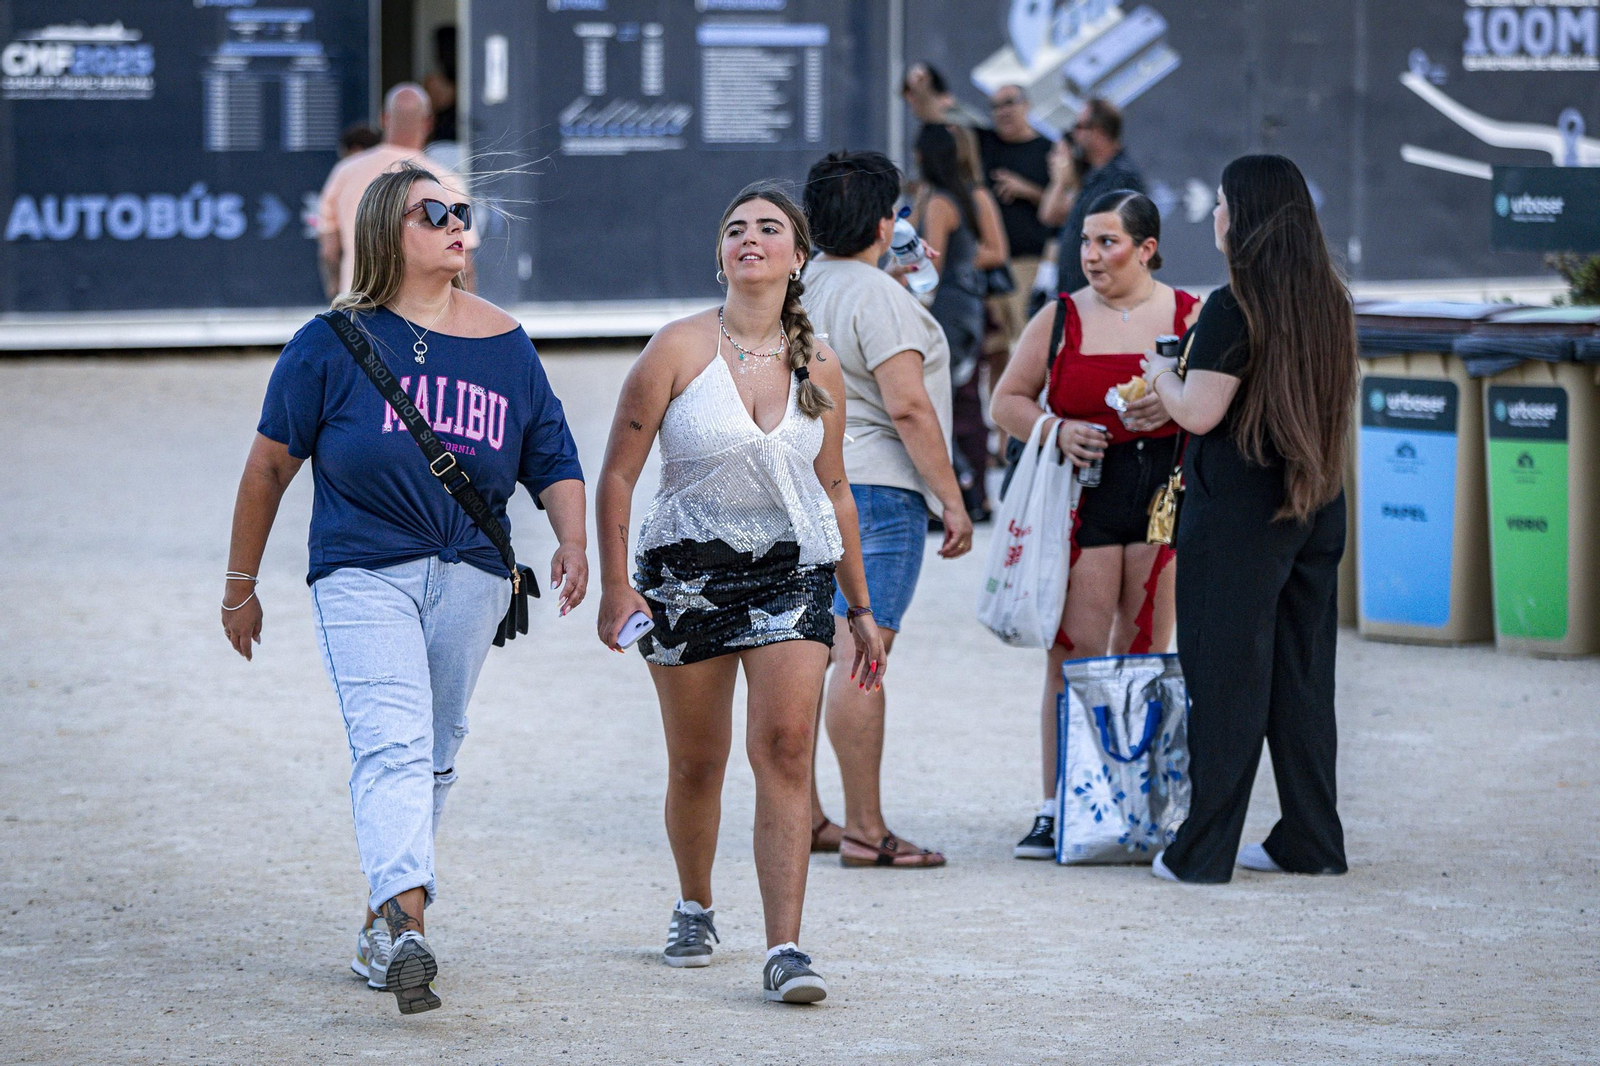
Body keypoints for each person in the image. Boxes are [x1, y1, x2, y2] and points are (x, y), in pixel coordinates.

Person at [220, 162, 589, 1014]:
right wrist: (241, 584)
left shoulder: (506, 342)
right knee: (392, 741)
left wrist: (572, 539)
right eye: (435, 212)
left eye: (463, 211)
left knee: (437, 747)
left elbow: (552, 455)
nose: (459, 223)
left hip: (476, 573)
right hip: (362, 568)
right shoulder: (329, 341)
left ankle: (381, 923)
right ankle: (409, 925)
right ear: (388, 228)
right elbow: (268, 467)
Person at [594, 182, 887, 1004]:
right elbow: (617, 475)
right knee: (698, 763)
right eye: (735, 230)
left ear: (798, 257)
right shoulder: (676, 348)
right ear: (720, 256)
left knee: (787, 748)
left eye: (768, 228)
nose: (749, 238)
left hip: (792, 573)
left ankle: (786, 948)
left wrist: (861, 609)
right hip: (685, 577)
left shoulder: (818, 363)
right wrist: (617, 586)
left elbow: (835, 489)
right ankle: (695, 905)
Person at [1141, 154, 1357, 884]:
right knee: (1303, 680)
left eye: (1223, 203)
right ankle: (1312, 840)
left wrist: (1162, 373)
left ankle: (1202, 852)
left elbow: (1200, 412)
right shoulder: (1328, 299)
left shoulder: (1235, 305)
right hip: (1314, 502)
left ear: (1246, 216)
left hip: (1238, 515)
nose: (1214, 215)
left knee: (1225, 681)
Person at [990, 190, 1199, 860]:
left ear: (1146, 248)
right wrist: (1057, 428)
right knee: (1073, 653)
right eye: (1085, 241)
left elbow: (1220, 405)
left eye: (1107, 242)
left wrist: (1171, 407)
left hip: (1163, 501)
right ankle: (1056, 805)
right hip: (1084, 503)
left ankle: (1140, 802)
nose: (1091, 255)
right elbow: (1006, 401)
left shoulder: (1191, 315)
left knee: (1145, 653)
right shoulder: (1060, 316)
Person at [799, 150, 973, 868]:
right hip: (874, 488)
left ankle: (807, 817)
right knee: (860, 656)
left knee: (803, 657)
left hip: (800, 483)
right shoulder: (878, 297)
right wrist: (952, 500)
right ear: (884, 222)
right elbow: (907, 405)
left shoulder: (793, 286)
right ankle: (867, 830)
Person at [912, 123, 1009, 521]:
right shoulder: (958, 196)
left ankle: (959, 492)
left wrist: (900, 276)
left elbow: (930, 265)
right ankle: (974, 496)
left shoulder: (940, 201)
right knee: (964, 402)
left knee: (938, 402)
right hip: (969, 309)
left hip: (947, 311)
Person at [318, 83, 478, 299]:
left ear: (384, 119)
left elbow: (329, 252)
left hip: (357, 302)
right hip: (420, 311)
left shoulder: (345, 172)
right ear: (428, 123)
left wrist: (337, 296)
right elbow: (463, 266)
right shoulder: (446, 181)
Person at [976, 84, 1056, 343]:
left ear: (1026, 105)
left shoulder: (1048, 151)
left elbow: (1063, 208)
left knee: (1028, 341)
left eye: (1009, 103)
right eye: (996, 106)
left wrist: (1027, 190)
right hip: (989, 265)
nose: (1003, 112)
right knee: (993, 347)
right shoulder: (984, 145)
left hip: (1028, 263)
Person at [1040, 98, 1145, 294]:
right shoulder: (1093, 177)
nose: (1074, 134)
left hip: (1100, 295)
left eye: (1079, 127)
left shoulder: (1121, 178)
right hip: (1078, 294)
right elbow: (1050, 216)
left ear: (1098, 132)